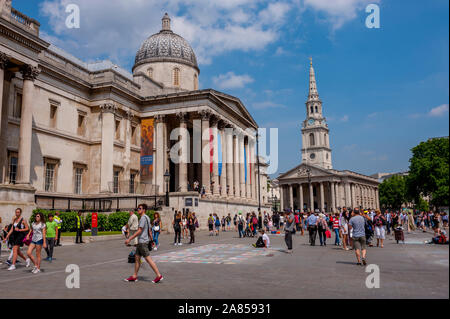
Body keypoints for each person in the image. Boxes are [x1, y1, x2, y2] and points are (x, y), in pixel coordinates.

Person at [124, 204, 163, 283]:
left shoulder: (142, 218)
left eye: (140, 208)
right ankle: (134, 276)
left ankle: (159, 275)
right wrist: (151, 240)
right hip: (142, 242)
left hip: (142, 242)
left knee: (148, 259)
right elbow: (149, 230)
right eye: (137, 208)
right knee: (137, 258)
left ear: (144, 210)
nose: (138, 210)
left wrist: (129, 239)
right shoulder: (147, 218)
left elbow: (139, 230)